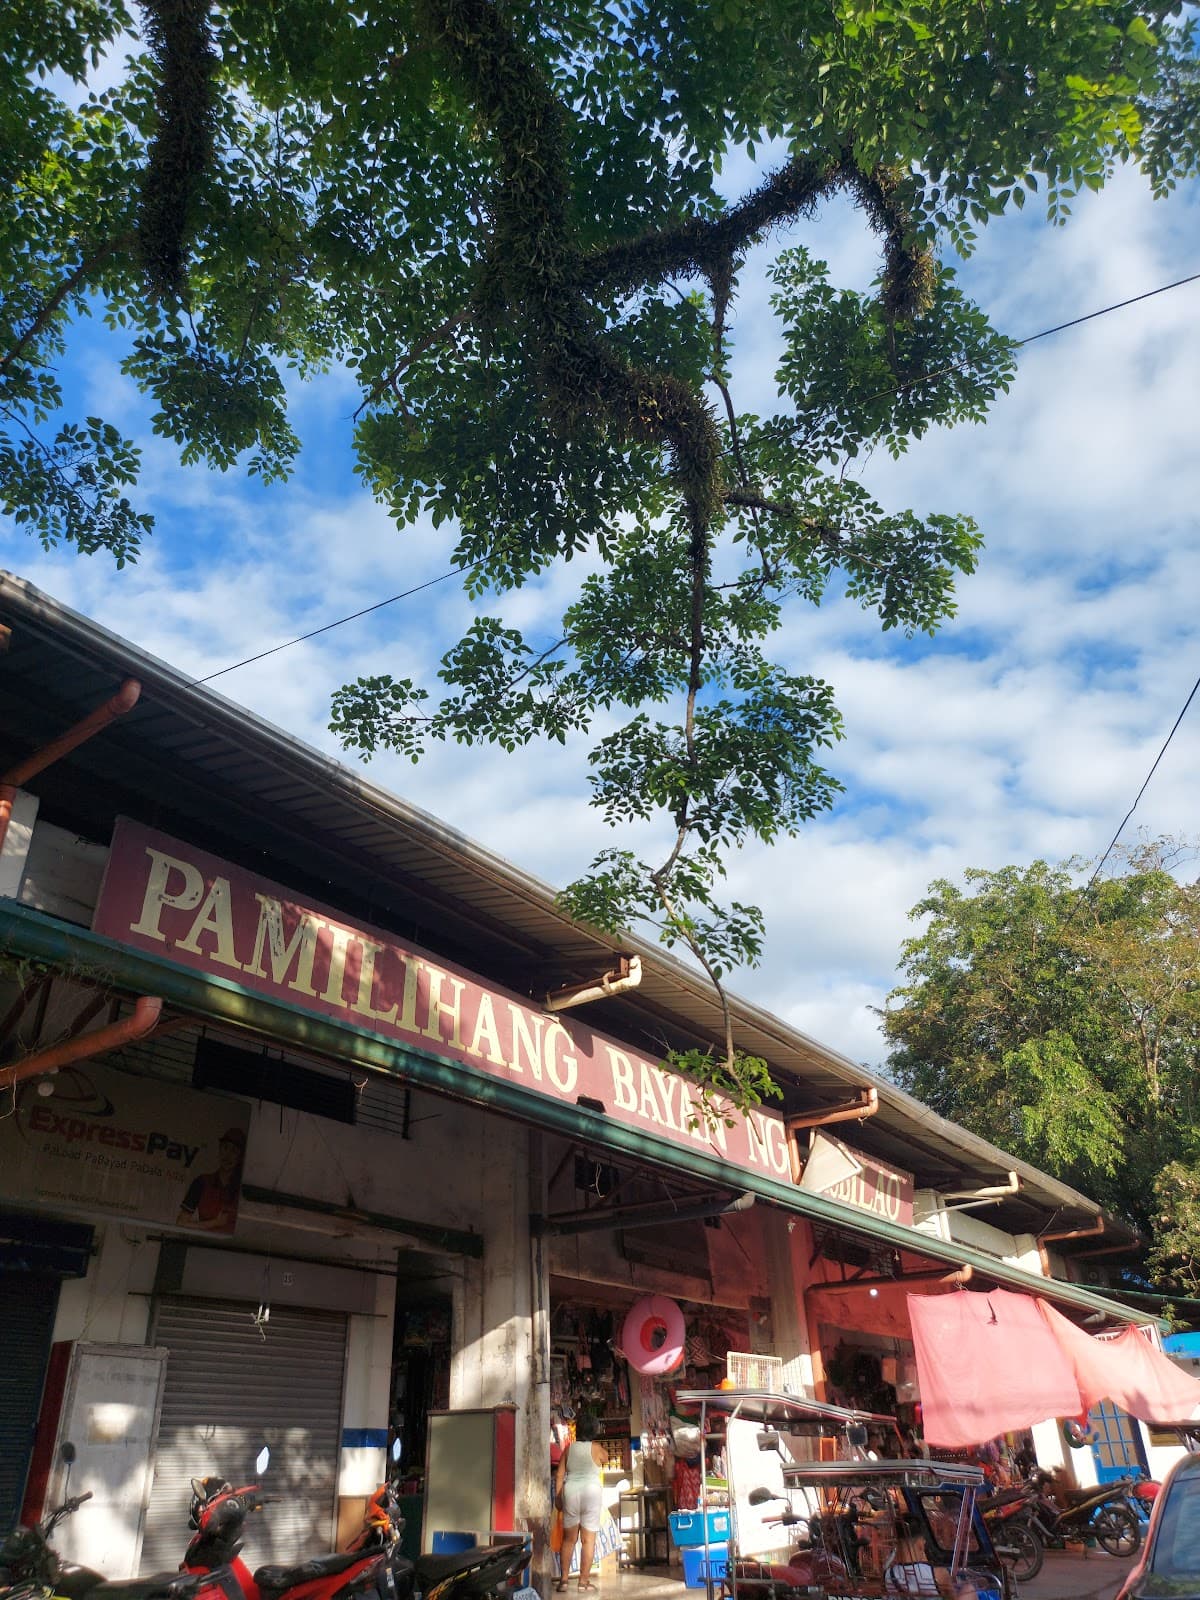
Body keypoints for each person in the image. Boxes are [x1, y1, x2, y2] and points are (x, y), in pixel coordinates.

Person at [554, 1413, 606, 1592]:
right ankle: (583, 1582)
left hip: (571, 1493)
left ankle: (564, 1581)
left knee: (568, 1540)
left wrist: (558, 1497)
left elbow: (559, 1475)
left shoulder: (569, 1449)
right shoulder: (597, 1448)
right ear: (594, 1430)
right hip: (591, 1493)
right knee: (588, 1540)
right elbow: (605, 1459)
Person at [177, 1126, 246, 1232]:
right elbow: (181, 1222)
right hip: (204, 1245)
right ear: (219, 1149)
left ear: (240, 1157)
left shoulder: (243, 1190)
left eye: (234, 1151)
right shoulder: (202, 1182)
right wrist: (215, 1223)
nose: (228, 1155)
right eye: (225, 1147)